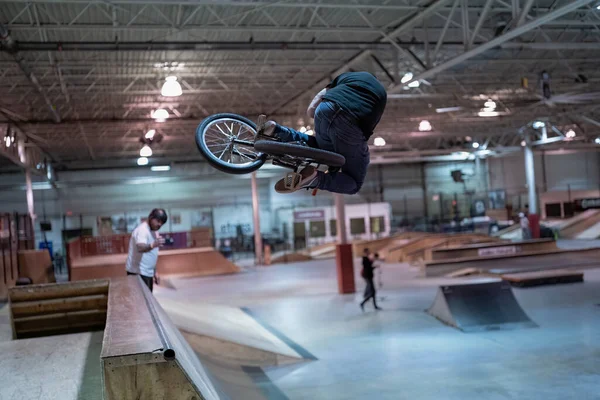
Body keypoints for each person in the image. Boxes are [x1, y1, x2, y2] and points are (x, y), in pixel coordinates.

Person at [257, 71, 387, 195]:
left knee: (319, 147)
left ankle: (277, 130)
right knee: (354, 183)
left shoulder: (348, 76)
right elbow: (368, 124)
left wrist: (314, 113)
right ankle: (316, 179)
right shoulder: (381, 94)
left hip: (325, 109)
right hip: (349, 121)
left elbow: (320, 96)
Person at [125, 209, 168, 292]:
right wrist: (153, 245)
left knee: (147, 299)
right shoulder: (142, 230)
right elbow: (140, 247)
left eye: (162, 223)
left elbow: (152, 253)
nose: (159, 224)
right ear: (151, 217)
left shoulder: (155, 232)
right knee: (141, 301)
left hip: (147, 272)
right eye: (158, 221)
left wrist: (155, 272)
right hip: (137, 272)